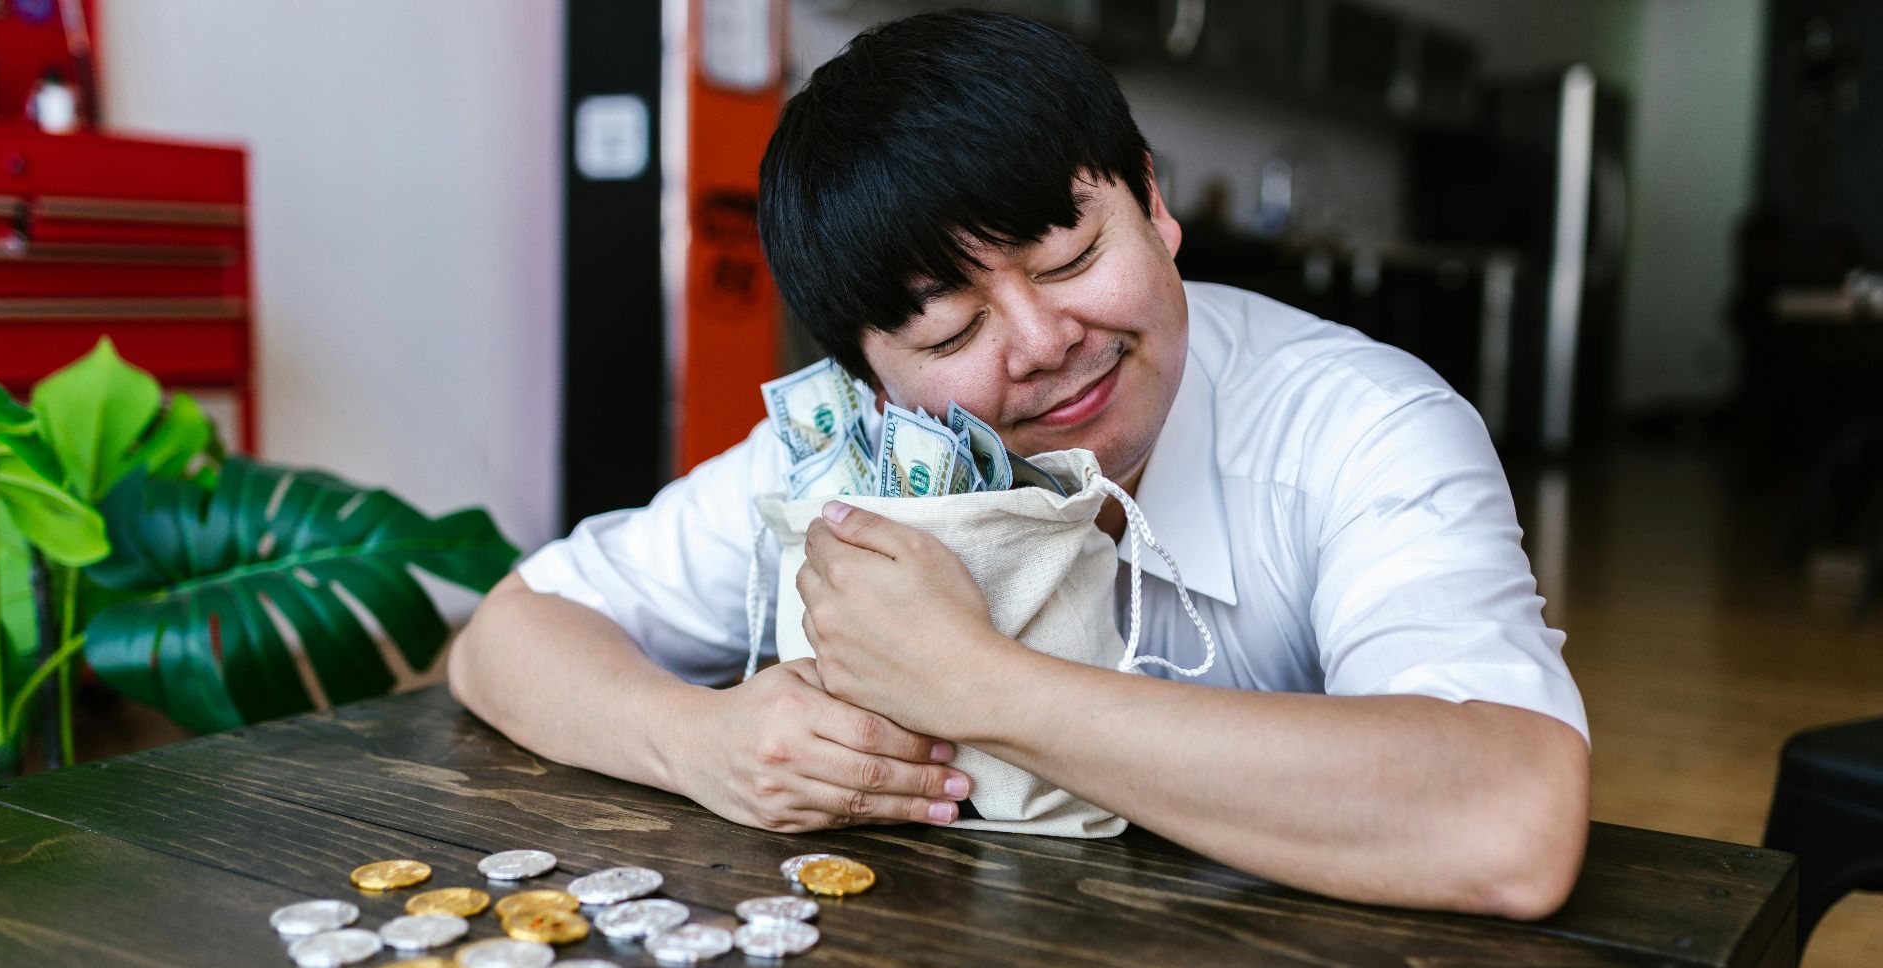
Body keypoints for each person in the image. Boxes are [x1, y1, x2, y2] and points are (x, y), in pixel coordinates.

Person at [450, 10, 1590, 920]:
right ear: (869, 377)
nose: (1045, 343)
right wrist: (703, 745)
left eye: (1071, 258)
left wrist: (973, 684)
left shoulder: (1363, 425)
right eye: (951, 330)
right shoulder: (857, 456)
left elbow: (1509, 821)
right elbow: (506, 637)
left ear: (1153, 205)